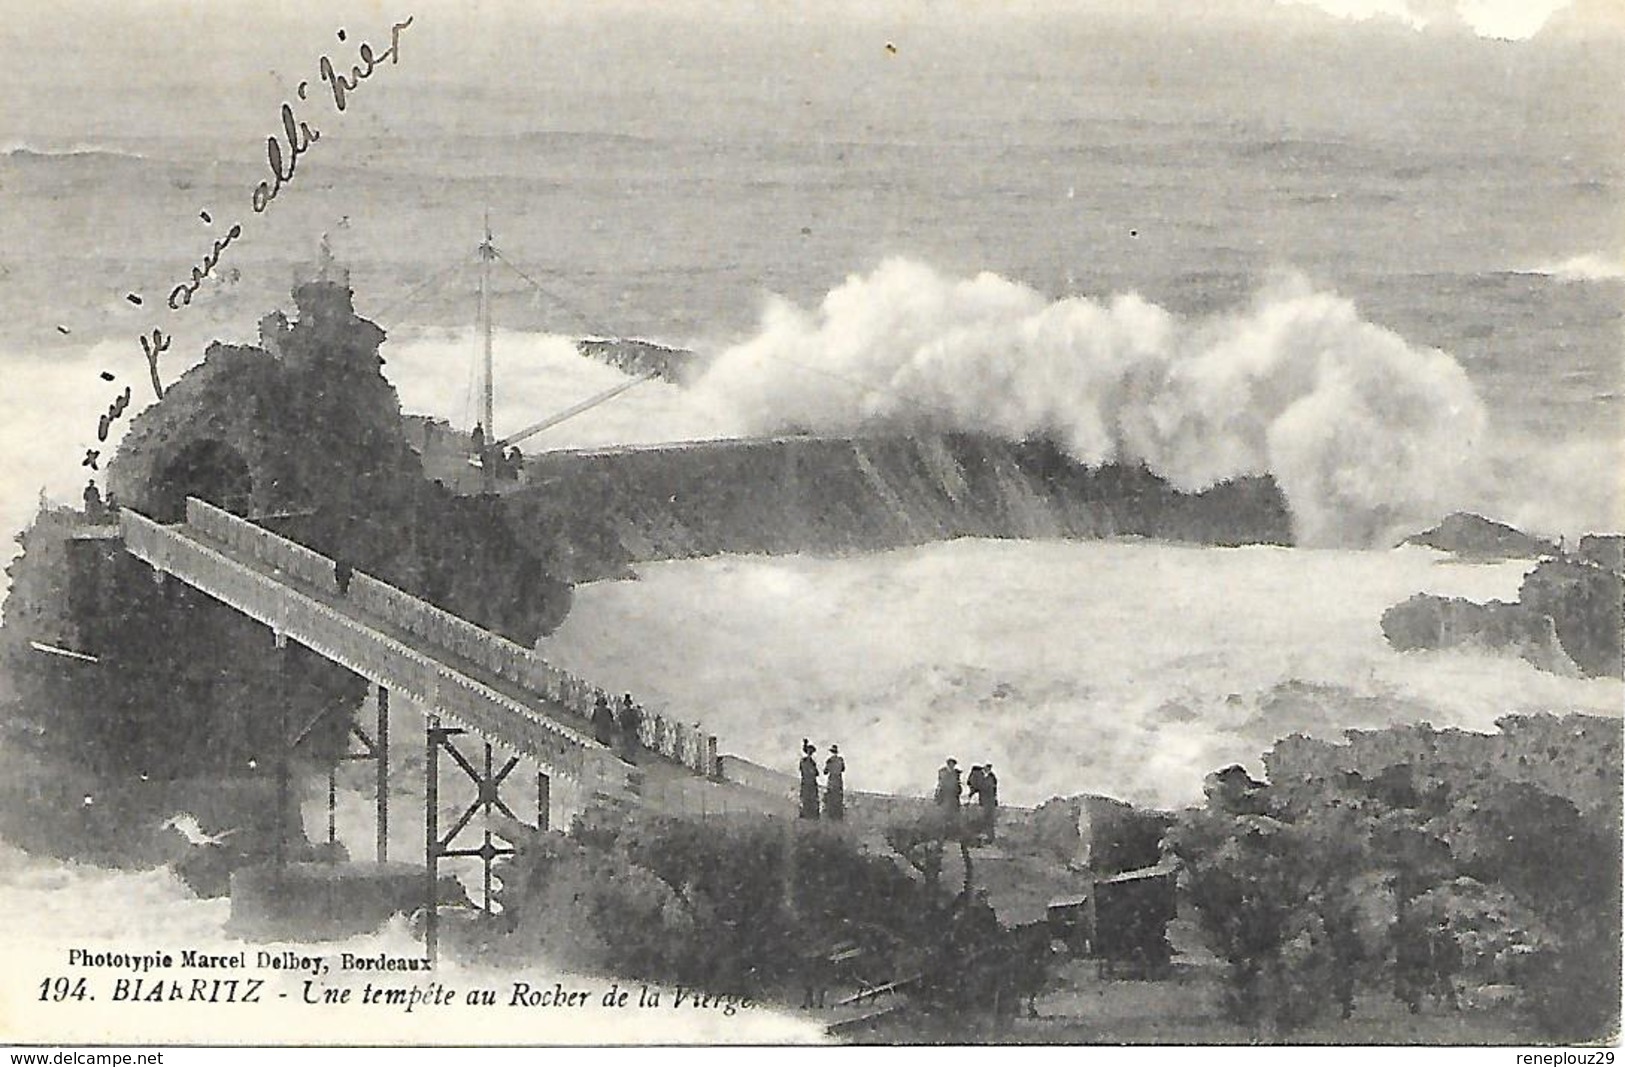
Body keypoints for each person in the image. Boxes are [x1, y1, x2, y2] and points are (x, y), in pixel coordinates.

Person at [617, 693, 642, 764]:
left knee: (627, 743)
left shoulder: (624, 712)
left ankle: (627, 757)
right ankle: (629, 758)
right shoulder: (632, 712)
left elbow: (621, 720)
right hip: (631, 730)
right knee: (631, 744)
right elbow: (637, 721)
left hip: (627, 730)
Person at [798, 741, 821, 820]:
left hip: (806, 781)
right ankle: (810, 814)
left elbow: (802, 770)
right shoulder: (810, 762)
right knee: (810, 797)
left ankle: (806, 813)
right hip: (810, 781)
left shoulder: (804, 761)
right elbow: (816, 773)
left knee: (806, 797)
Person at [823, 745, 846, 822]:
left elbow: (825, 772)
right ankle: (838, 815)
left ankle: (831, 815)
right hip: (838, 780)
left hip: (832, 780)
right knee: (838, 797)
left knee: (831, 797)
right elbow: (843, 769)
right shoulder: (840, 760)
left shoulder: (829, 760)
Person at [978, 763, 999, 842]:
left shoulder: (992, 777)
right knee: (984, 819)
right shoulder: (981, 777)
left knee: (989, 820)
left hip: (990, 801)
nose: (988, 769)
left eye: (989, 768)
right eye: (987, 767)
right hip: (984, 801)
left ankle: (990, 837)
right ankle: (986, 836)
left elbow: (994, 790)